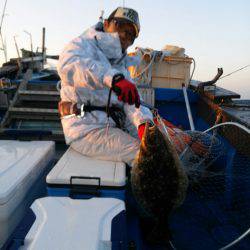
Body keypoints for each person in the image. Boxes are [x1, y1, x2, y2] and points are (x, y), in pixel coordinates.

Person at [57, 7, 153, 167]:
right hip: (85, 129)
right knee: (146, 155)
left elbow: (132, 100)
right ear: (106, 23)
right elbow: (69, 66)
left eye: (131, 34)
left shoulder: (121, 64)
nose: (124, 35)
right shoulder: (81, 45)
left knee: (156, 146)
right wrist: (112, 78)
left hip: (112, 126)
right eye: (120, 26)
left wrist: (143, 123)